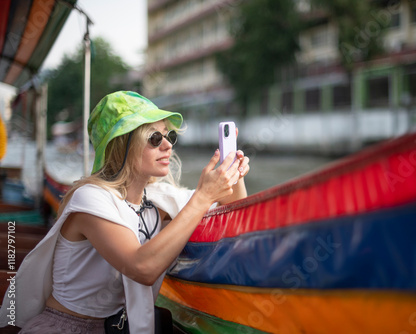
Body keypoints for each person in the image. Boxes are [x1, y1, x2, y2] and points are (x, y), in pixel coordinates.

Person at [0, 91, 250, 333]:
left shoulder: (158, 199)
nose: (166, 145)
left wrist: (233, 172)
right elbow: (142, 268)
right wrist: (203, 196)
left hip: (118, 327)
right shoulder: (90, 198)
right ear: (122, 145)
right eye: (154, 138)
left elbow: (232, 217)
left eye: (169, 136)